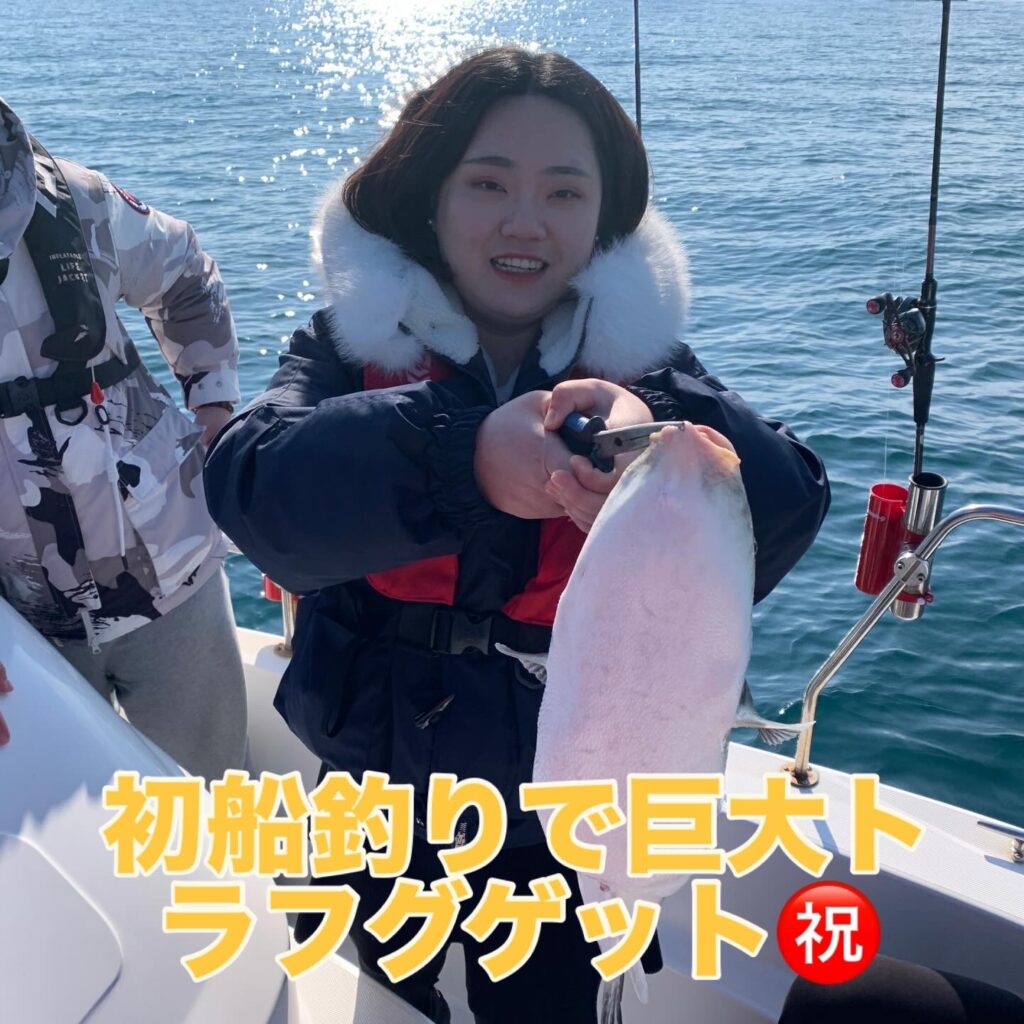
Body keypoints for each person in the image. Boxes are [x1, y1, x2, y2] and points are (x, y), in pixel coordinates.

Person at [205, 47, 830, 1024]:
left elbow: (790, 502)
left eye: (564, 192)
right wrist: (462, 459)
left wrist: (665, 448)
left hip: (565, 821)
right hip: (376, 798)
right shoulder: (347, 345)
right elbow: (253, 487)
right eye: (488, 183)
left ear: (605, 219)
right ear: (430, 196)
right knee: (381, 996)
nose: (525, 222)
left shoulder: (651, 369)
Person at [0, 98, 246, 780]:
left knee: (220, 794)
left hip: (176, 572)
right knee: (72, 825)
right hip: (25, 625)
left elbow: (187, 274)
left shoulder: (80, 202)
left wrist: (214, 410)